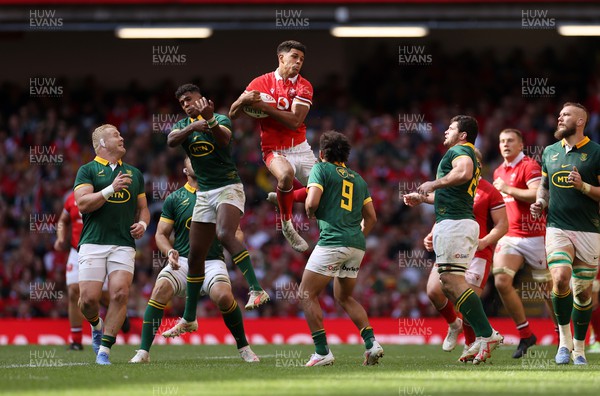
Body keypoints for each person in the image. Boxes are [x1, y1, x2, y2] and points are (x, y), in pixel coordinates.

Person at [163, 84, 268, 338]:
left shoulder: (219, 118)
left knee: (223, 234)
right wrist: (192, 126)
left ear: (201, 98)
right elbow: (170, 141)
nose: (186, 105)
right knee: (196, 256)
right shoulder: (183, 125)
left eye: (189, 99)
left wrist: (208, 119)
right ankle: (189, 318)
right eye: (182, 103)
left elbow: (223, 139)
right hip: (204, 194)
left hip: (228, 187)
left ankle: (256, 289)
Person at [130, 159, 259, 363]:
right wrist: (168, 251)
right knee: (160, 289)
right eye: (193, 160)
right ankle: (143, 352)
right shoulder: (175, 198)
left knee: (224, 297)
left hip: (212, 261)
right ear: (185, 169)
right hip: (182, 260)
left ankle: (244, 347)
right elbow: (161, 234)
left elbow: (237, 232)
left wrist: (229, 242)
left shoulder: (220, 195)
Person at [404, 115, 503, 364]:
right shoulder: (464, 151)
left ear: (463, 135)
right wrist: (423, 198)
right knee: (445, 285)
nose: (445, 131)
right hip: (456, 222)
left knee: (451, 282)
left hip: (457, 225)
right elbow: (454, 193)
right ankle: (479, 334)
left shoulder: (460, 151)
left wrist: (433, 184)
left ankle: (486, 333)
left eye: (451, 128)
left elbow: (463, 172)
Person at [298, 131, 383, 366]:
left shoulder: (321, 169)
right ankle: (372, 344)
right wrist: (356, 237)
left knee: (306, 293)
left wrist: (309, 209)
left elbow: (312, 201)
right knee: (344, 296)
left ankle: (322, 352)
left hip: (333, 240)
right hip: (356, 244)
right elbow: (372, 218)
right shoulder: (359, 179)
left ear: (322, 153)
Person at [229, 40, 316, 252]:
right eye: (294, 57)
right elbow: (232, 114)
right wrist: (243, 101)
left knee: (327, 191)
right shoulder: (260, 83)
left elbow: (295, 120)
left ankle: (283, 197)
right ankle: (287, 226)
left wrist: (264, 107)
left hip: (301, 148)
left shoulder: (304, 86)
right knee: (285, 175)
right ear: (281, 58)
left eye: (302, 59)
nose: (298, 62)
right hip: (274, 150)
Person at [531, 102, 600, 365]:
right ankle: (564, 341)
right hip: (557, 227)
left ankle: (580, 349)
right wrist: (540, 202)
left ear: (581, 121)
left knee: (583, 293)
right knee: (560, 278)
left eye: (566, 115)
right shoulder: (549, 152)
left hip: (589, 229)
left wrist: (583, 187)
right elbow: (544, 186)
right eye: (559, 114)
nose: (560, 118)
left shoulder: (596, 152)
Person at [74, 124, 149, 365]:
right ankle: (97, 325)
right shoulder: (87, 170)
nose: (122, 137)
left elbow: (144, 209)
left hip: (123, 244)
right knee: (87, 300)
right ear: (102, 144)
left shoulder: (135, 174)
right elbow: (83, 204)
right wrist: (110, 189)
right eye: (116, 135)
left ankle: (104, 350)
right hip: (93, 242)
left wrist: (144, 225)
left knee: (120, 292)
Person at [425, 148, 508, 360]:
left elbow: (502, 225)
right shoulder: (454, 190)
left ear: (477, 166)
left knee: (468, 300)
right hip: (453, 243)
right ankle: (455, 325)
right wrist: (432, 233)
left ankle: (474, 344)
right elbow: (447, 216)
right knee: (434, 290)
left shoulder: (490, 191)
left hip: (478, 251)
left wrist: (485, 241)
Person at [492, 128, 556, 358]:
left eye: (510, 141)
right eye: (502, 141)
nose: (505, 144)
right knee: (501, 280)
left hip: (537, 236)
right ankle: (526, 333)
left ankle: (562, 336)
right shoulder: (499, 171)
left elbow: (538, 194)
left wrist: (507, 188)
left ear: (521, 145)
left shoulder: (529, 166)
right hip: (511, 236)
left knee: (548, 292)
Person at [54, 191, 130, 351]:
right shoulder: (70, 199)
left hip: (101, 249)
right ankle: (76, 341)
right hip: (77, 251)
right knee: (74, 292)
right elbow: (62, 221)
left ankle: (119, 309)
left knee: (98, 296)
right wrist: (60, 238)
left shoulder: (105, 195)